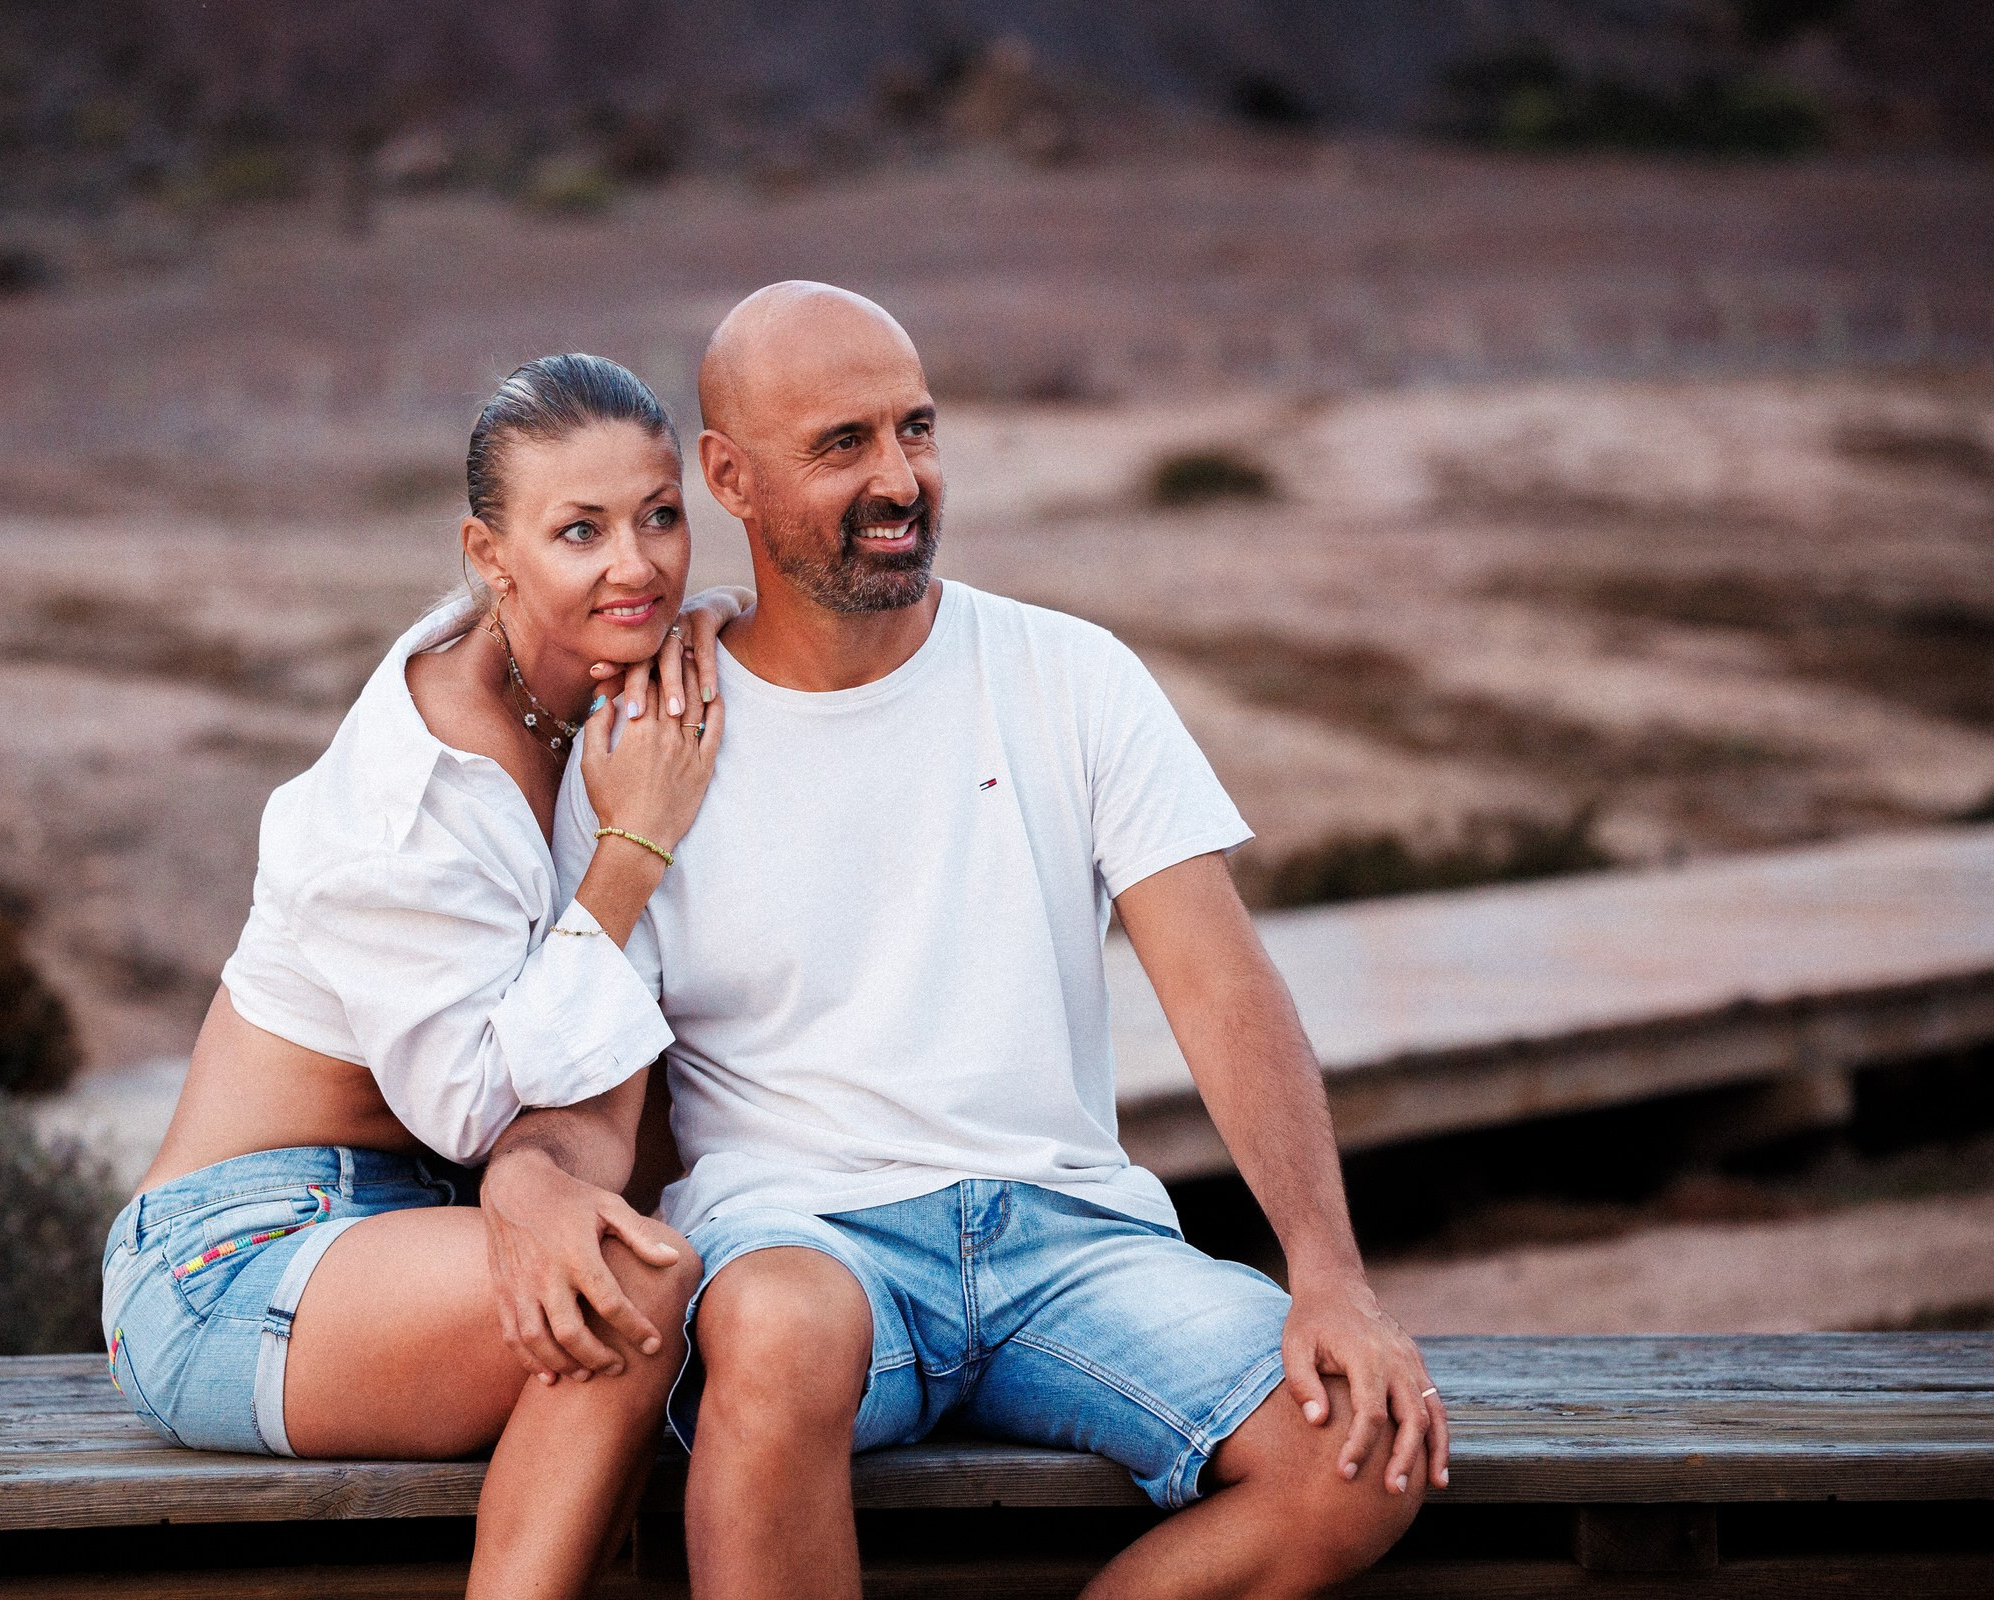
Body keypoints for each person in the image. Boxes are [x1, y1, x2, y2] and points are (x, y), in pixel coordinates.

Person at [534, 285, 1447, 1599]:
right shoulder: (647, 736)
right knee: (782, 1330)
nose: (901, 478)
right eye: (843, 443)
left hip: (1074, 1240)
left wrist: (1330, 1275)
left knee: (1361, 1453)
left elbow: (1221, 988)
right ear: (728, 476)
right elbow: (600, 1074)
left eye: (917, 429)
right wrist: (535, 1181)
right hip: (805, 1240)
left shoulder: (1068, 675)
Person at [100, 353, 739, 1599]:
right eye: (580, 531)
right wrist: (633, 847)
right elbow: (473, 1106)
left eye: (660, 515)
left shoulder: (603, 688)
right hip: (241, 1260)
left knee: (754, 1292)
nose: (639, 564)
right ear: (489, 555)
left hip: (434, 1222)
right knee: (626, 1291)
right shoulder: (410, 800)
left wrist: (724, 623)